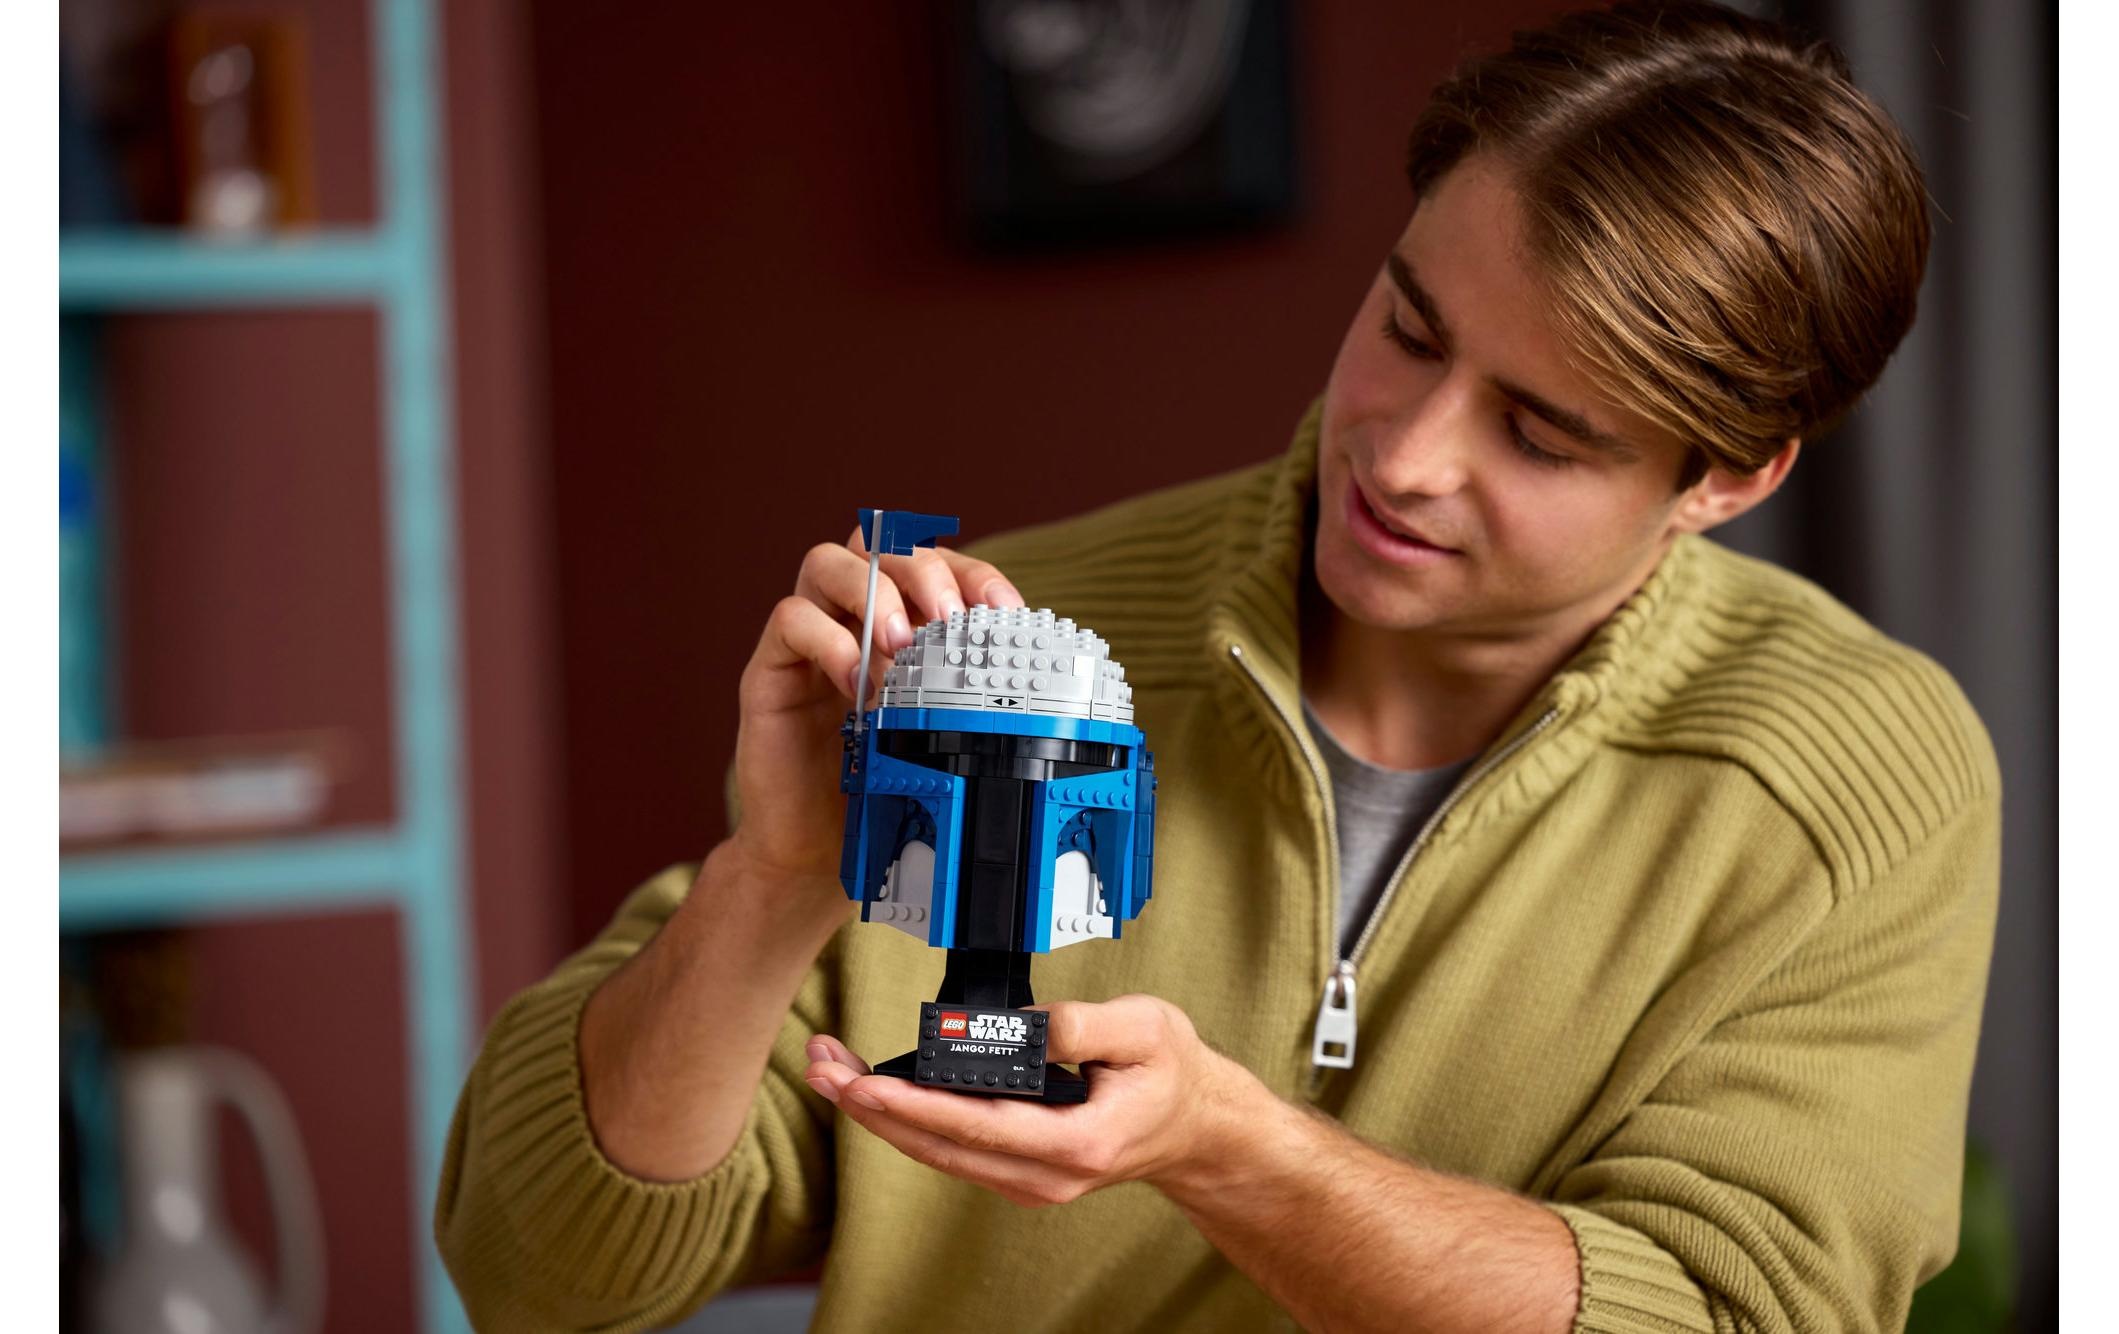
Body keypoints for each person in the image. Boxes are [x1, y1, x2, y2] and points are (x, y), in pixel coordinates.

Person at [434, 4, 2000, 1330]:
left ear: (1727, 477)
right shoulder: (1018, 651)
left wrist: (1228, 1149)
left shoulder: (1851, 774)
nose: (1405, 454)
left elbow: (1733, 1313)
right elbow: (538, 1263)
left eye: (1539, 432)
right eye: (1409, 325)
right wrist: (771, 878)